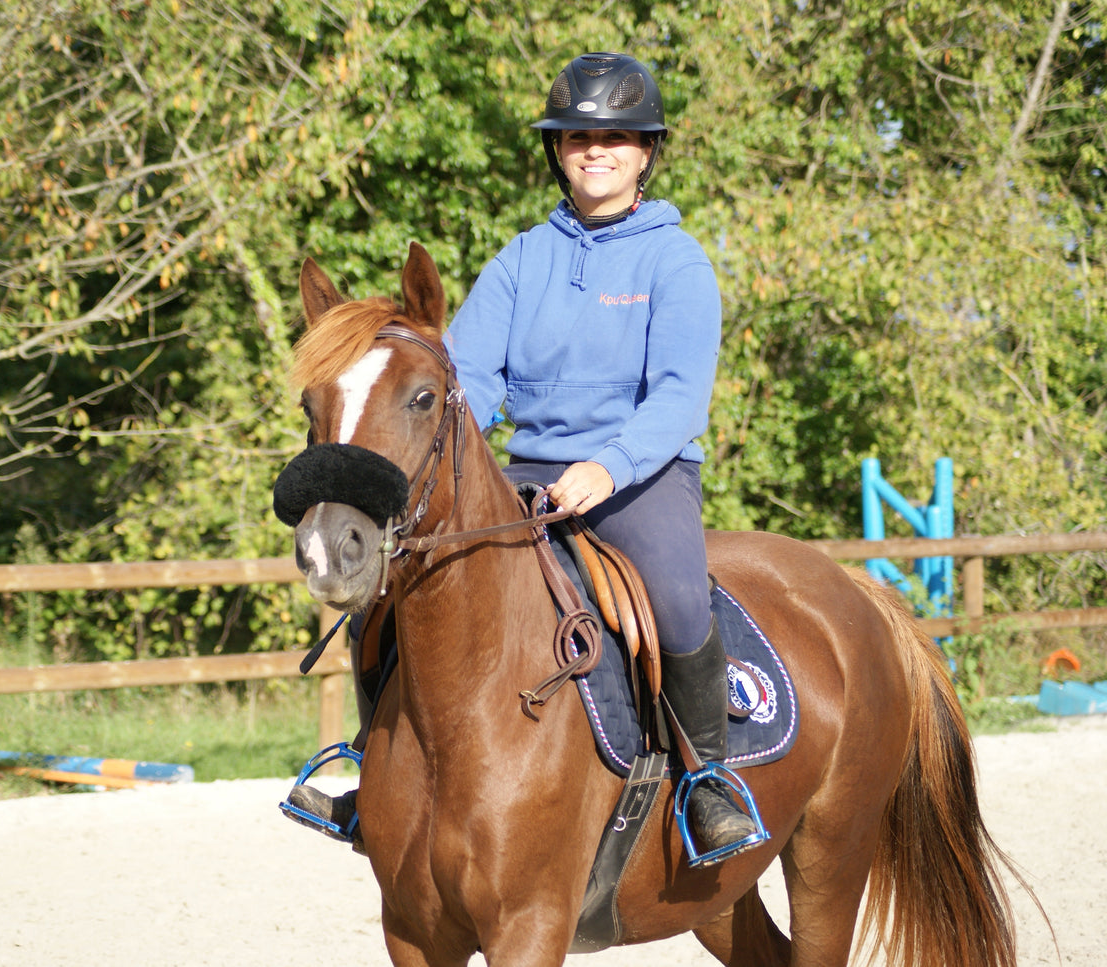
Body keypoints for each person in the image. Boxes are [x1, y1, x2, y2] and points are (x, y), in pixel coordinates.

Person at [286, 51, 760, 865]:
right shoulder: (521, 260)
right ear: (558, 151)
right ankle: (371, 762)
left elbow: (679, 395)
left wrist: (607, 467)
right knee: (391, 589)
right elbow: (465, 375)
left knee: (679, 597)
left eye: (614, 137)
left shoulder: (675, 261)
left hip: (638, 477)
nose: (594, 150)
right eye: (577, 137)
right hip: (528, 473)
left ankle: (705, 778)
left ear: (646, 150)